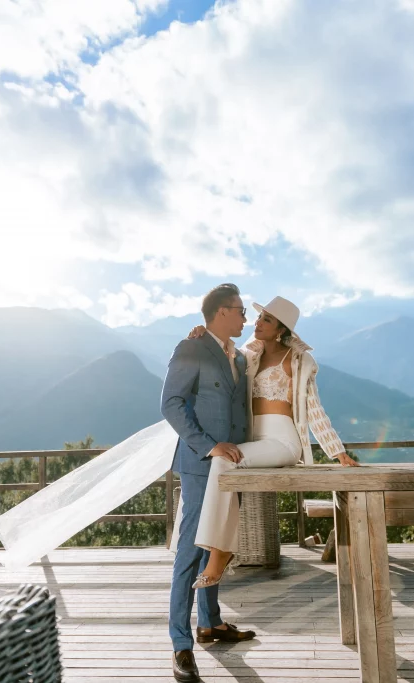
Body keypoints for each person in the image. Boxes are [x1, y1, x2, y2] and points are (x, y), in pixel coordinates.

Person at [187, 295, 358, 590]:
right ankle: (222, 550)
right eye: (258, 317)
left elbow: (314, 408)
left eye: (266, 319)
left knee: (224, 458)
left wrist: (337, 452)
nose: (257, 322)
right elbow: (220, 354)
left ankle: (219, 553)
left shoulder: (299, 361)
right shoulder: (248, 354)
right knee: (223, 461)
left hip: (283, 440)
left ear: (281, 329)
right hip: (254, 440)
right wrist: (202, 336)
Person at [160, 283, 256, 683]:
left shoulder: (241, 357)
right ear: (219, 313)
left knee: (219, 544)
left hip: (235, 465)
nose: (245, 318)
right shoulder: (192, 348)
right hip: (202, 463)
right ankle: (181, 644)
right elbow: (170, 404)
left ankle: (211, 623)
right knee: (190, 551)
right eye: (239, 311)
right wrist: (209, 445)